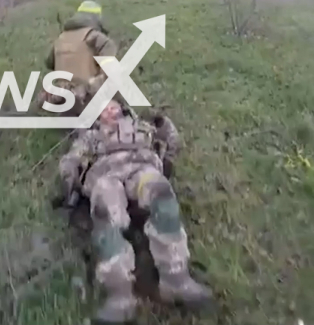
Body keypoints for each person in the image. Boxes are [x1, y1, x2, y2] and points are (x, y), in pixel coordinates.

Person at [57, 100, 212, 323]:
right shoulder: (91, 136)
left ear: (122, 109)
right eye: (104, 108)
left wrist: (164, 124)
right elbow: (71, 158)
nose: (110, 109)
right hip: (106, 175)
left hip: (142, 170)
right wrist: (68, 176)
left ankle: (176, 279)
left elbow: (173, 144)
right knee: (105, 208)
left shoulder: (143, 127)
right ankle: (120, 294)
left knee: (161, 193)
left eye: (113, 105)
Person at [39, 0, 118, 115]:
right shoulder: (93, 35)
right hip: (89, 99)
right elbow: (110, 51)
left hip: (62, 100)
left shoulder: (60, 39)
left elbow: (48, 62)